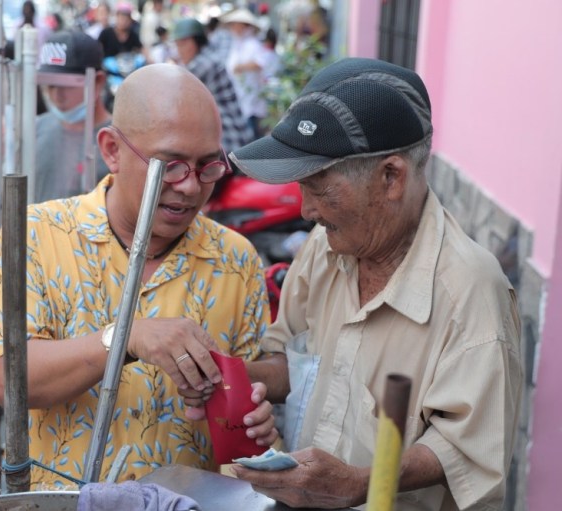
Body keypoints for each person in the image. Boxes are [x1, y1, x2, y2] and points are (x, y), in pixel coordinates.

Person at [220, 58, 522, 509]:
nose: (306, 211)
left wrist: (359, 483)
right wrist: (229, 380)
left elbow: (468, 449)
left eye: (319, 187)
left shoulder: (471, 292)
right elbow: (292, 358)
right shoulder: (323, 248)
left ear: (391, 177)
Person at [0, 63, 277, 488]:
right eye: (171, 165)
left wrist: (249, 415)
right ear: (112, 150)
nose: (191, 187)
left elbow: (245, 396)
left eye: (208, 166)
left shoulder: (235, 259)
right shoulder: (35, 236)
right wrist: (125, 337)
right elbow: (9, 381)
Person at [35, 31, 111, 201]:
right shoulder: (36, 128)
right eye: (50, 85)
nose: (57, 96)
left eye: (66, 85)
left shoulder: (118, 142)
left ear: (98, 82)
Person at [172, 18, 252, 151]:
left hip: (230, 139)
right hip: (231, 136)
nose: (180, 50)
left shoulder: (203, 64)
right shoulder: (207, 56)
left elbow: (174, 94)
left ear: (197, 41)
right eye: (178, 45)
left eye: (183, 44)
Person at [222, 8, 268, 140]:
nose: (233, 28)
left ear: (244, 26)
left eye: (235, 25)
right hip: (239, 95)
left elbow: (260, 63)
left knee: (252, 134)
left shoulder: (253, 44)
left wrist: (241, 67)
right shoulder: (237, 45)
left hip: (251, 95)